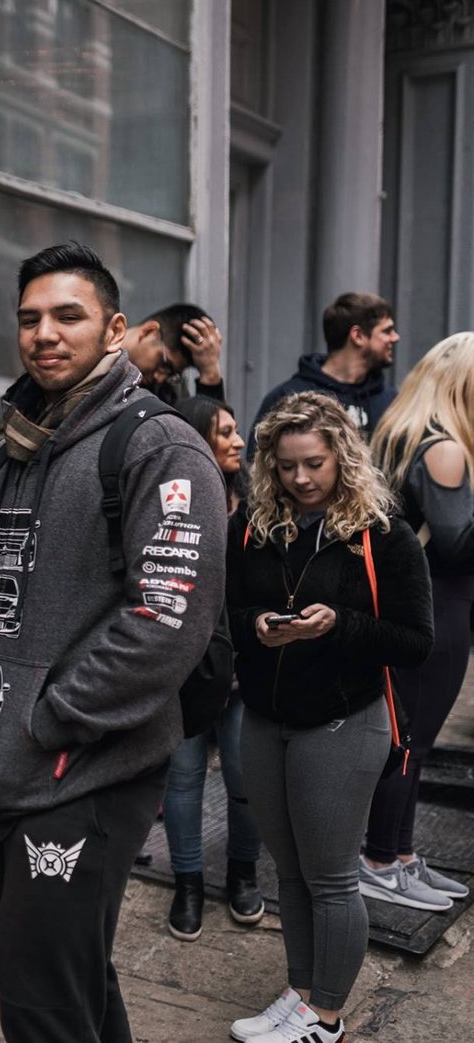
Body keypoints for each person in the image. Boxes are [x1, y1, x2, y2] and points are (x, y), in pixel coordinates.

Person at [0, 242, 225, 1043]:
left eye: (69, 315)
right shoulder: (10, 452)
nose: (44, 333)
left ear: (116, 330)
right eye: (29, 318)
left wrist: (47, 716)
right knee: (72, 987)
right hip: (6, 767)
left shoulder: (158, 447)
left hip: (85, 766)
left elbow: (166, 620)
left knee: (39, 1002)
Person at [226, 391, 433, 1043]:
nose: (300, 479)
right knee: (286, 871)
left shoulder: (384, 533)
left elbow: (416, 640)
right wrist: (255, 623)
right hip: (263, 716)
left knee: (333, 876)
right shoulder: (256, 524)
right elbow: (225, 609)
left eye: (313, 463)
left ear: (342, 457)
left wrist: (337, 623)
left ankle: (326, 1016)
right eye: (286, 466)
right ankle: (300, 989)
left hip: (343, 723)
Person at [360, 332, 474, 911]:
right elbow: (457, 544)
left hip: (414, 606)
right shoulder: (445, 447)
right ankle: (380, 860)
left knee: (410, 740)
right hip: (438, 606)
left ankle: (398, 857)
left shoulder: (405, 434)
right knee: (408, 742)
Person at [159, 396, 263, 942]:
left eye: (237, 428)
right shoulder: (171, 502)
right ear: (198, 436)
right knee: (183, 779)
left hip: (247, 667)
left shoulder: (256, 506)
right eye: (225, 431)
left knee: (248, 780)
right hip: (184, 669)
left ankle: (243, 875)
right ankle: (188, 884)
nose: (239, 440)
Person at [255, 292, 399, 438]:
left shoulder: (391, 402)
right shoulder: (289, 398)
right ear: (358, 336)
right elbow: (260, 457)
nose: (395, 337)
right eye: (387, 331)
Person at [121, 303, 227, 404]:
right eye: (164, 365)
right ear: (149, 331)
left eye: (172, 374)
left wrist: (210, 372)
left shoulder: (162, 393)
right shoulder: (104, 355)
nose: (160, 378)